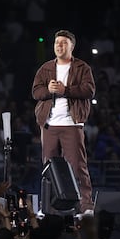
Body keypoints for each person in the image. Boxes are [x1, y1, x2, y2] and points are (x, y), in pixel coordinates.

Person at [32, 29, 96, 213]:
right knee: (48, 168)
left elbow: (89, 90)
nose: (59, 46)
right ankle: (47, 207)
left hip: (72, 124)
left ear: (71, 46)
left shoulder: (82, 67)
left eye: (63, 43)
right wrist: (49, 91)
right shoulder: (45, 68)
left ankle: (85, 207)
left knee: (77, 167)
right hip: (49, 124)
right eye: (57, 42)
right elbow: (36, 92)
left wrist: (65, 90)